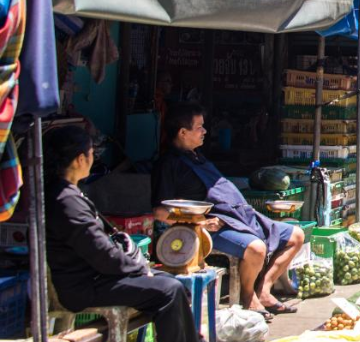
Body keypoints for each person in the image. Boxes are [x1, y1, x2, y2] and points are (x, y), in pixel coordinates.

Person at [45, 126, 198, 342]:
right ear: (80, 159)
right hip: (84, 287)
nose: (94, 158)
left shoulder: (67, 194)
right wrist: (139, 270)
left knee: (175, 286)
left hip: (96, 278)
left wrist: (141, 271)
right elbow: (100, 252)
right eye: (92, 153)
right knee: (169, 290)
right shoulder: (65, 201)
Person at [152, 103, 304, 319]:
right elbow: (160, 213)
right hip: (209, 227)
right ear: (183, 132)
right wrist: (200, 224)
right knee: (257, 249)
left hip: (239, 216)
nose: (204, 131)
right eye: (199, 127)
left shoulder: (198, 157)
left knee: (296, 235)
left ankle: (264, 289)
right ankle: (248, 296)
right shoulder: (168, 164)